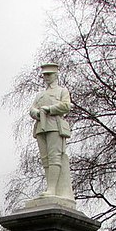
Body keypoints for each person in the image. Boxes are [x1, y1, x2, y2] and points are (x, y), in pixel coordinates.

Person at [29, 62, 74, 199]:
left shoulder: (62, 91)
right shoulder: (40, 95)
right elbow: (32, 109)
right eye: (44, 75)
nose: (46, 77)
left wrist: (50, 109)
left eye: (49, 74)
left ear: (56, 75)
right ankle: (50, 187)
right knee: (45, 159)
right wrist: (36, 113)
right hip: (40, 127)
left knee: (55, 157)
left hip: (54, 125)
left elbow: (66, 106)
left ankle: (52, 189)